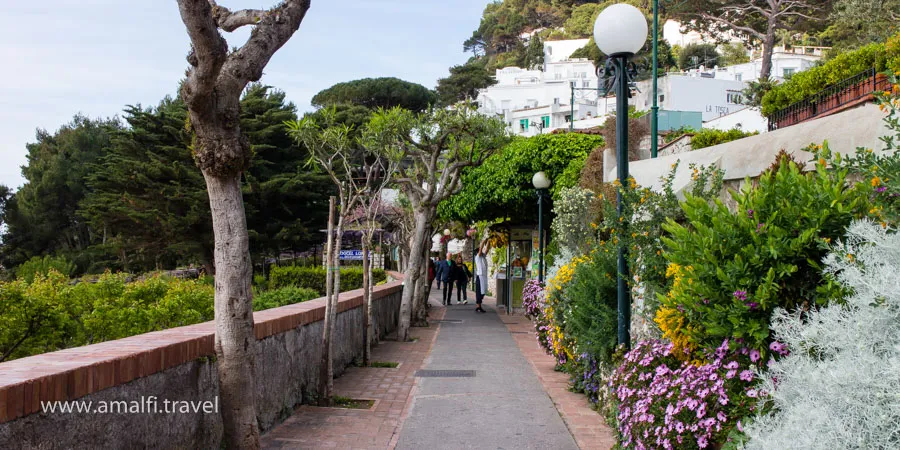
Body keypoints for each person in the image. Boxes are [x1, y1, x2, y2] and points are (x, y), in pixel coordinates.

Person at [474, 240, 489, 313]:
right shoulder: (477, 257)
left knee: (483, 291)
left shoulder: (483, 257)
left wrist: (489, 241)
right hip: (479, 276)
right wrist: (483, 242)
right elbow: (481, 249)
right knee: (479, 291)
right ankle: (478, 306)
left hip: (483, 276)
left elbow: (487, 249)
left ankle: (479, 306)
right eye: (480, 251)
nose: (482, 252)